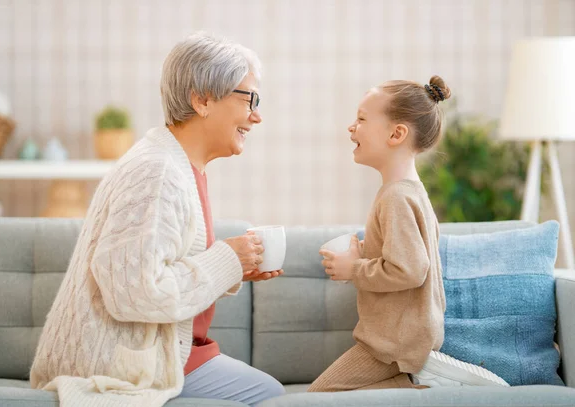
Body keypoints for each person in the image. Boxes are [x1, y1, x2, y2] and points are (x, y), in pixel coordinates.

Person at [30, 33, 286, 407]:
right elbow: (135, 291)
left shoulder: (179, 165)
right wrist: (227, 260)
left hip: (174, 351)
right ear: (201, 99)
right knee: (271, 397)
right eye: (250, 99)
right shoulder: (157, 173)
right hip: (125, 362)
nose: (257, 115)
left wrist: (235, 269)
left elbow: (158, 265)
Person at [310, 76, 509, 391]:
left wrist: (354, 269)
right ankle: (419, 380)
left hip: (392, 342)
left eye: (361, 119)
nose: (351, 127)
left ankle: (431, 377)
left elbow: (410, 269)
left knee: (320, 395)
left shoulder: (396, 197)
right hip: (402, 338)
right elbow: (406, 255)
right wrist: (365, 253)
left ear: (396, 133)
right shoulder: (408, 192)